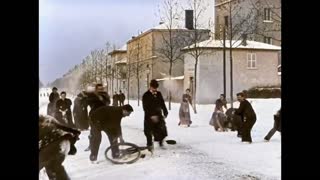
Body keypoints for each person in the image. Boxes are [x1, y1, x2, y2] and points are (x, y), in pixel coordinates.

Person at [39, 115, 80, 180]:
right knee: (52, 166)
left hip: (51, 145)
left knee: (52, 165)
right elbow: (60, 126)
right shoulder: (45, 118)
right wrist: (73, 132)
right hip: (64, 141)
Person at [142, 79, 168, 152]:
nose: (155, 89)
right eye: (153, 88)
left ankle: (160, 142)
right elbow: (145, 107)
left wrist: (165, 112)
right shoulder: (145, 95)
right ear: (150, 87)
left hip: (158, 115)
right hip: (149, 116)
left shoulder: (159, 94)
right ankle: (149, 145)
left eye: (156, 88)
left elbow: (162, 103)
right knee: (148, 132)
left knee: (162, 129)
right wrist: (151, 116)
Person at [85, 84, 111, 151]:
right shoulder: (92, 95)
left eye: (101, 89)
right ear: (96, 89)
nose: (100, 90)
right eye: (99, 89)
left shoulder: (105, 94)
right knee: (93, 133)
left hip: (103, 115)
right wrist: (95, 97)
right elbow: (87, 101)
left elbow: (108, 102)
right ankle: (91, 145)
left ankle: (114, 147)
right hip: (94, 115)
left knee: (110, 131)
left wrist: (102, 99)